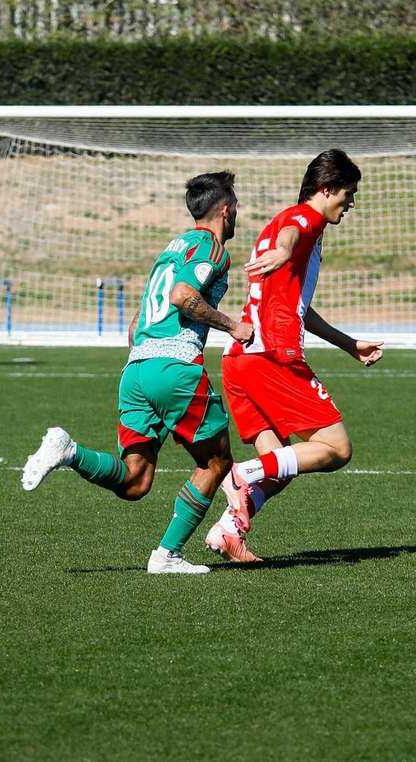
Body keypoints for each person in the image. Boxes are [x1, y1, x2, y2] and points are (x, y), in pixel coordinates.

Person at [18, 171, 255, 575]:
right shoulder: (211, 246)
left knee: (135, 482)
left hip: (136, 368)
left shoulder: (171, 248)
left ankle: (69, 450)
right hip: (175, 367)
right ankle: (167, 556)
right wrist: (233, 326)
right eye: (236, 210)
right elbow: (183, 297)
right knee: (217, 463)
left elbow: (137, 321)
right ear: (226, 210)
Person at [207, 149, 384, 563]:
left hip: (239, 358)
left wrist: (347, 343)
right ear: (327, 189)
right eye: (349, 194)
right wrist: (287, 249)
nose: (351, 203)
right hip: (272, 357)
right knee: (337, 449)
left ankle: (228, 531)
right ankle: (241, 475)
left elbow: (298, 302)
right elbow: (293, 233)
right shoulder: (304, 219)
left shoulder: (285, 222)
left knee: (282, 465)